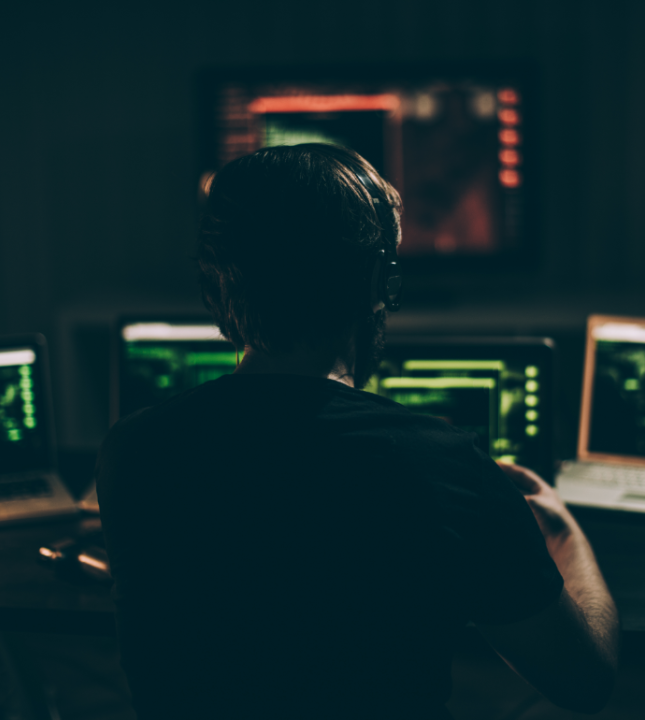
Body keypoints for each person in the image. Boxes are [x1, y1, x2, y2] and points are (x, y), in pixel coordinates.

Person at [96, 144, 618, 719]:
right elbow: (585, 682)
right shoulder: (442, 466)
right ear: (380, 283)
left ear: (214, 290)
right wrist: (565, 535)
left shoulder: (133, 448)